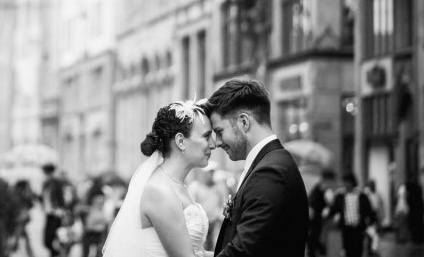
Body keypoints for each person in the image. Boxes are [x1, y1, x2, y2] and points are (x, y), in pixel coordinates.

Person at [206, 78, 309, 257]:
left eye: (220, 132)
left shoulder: (270, 172)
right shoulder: (267, 163)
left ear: (244, 122)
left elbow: (243, 251)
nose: (217, 143)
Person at [102, 100, 214, 257]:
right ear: (180, 141)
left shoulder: (176, 185)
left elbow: (198, 252)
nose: (214, 144)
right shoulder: (160, 190)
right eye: (207, 136)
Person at [327, 172, 376, 257]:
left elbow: (369, 210)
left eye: (347, 182)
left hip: (358, 228)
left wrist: (372, 222)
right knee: (347, 249)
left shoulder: (361, 195)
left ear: (352, 182)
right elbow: (334, 209)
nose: (345, 184)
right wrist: (327, 215)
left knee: (358, 250)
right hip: (346, 228)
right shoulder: (341, 196)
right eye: (344, 182)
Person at [41, 163, 73, 257]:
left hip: (57, 213)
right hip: (49, 213)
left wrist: (62, 209)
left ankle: (58, 254)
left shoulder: (56, 183)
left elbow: (63, 198)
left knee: (55, 237)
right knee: (48, 240)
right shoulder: (46, 184)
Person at [307, 169, 336, 257]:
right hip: (314, 219)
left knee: (314, 241)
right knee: (314, 240)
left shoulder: (319, 188)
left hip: (315, 219)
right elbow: (330, 201)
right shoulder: (322, 188)